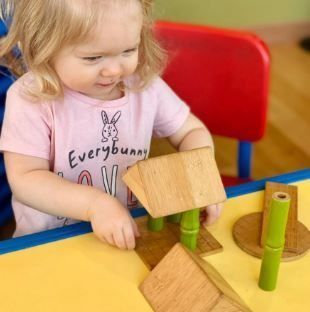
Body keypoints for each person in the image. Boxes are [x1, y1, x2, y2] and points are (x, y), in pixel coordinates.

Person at [0, 0, 222, 250]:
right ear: (45, 46)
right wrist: (94, 205)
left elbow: (192, 132)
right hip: (51, 245)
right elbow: (26, 179)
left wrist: (201, 179)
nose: (115, 70)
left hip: (127, 236)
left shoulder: (144, 86)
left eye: (128, 50)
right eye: (94, 57)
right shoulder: (31, 98)